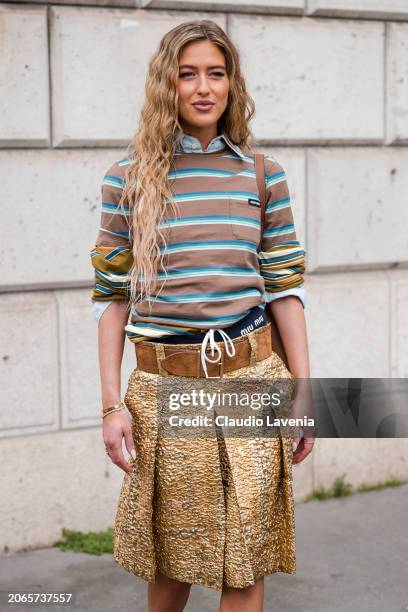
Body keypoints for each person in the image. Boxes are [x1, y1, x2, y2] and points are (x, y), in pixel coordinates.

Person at [90, 19, 314, 612]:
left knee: (245, 561)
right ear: (167, 84)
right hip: (167, 387)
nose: (203, 87)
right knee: (173, 564)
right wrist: (113, 406)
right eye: (187, 74)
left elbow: (284, 292)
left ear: (233, 83)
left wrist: (303, 394)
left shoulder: (263, 175)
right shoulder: (129, 179)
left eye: (216, 73)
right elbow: (113, 301)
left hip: (252, 380)